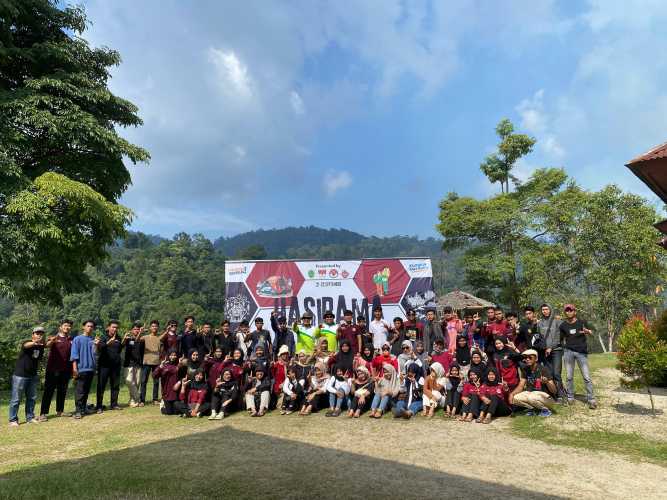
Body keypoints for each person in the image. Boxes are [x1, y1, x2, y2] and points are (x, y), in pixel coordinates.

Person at [559, 304, 596, 409]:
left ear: (575, 312)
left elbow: (593, 333)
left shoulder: (582, 322)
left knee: (586, 377)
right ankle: (570, 397)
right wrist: (564, 348)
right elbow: (561, 339)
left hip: (581, 353)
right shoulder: (563, 325)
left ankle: (591, 399)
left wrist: (588, 332)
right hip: (568, 352)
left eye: (571, 310)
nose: (568, 312)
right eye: (567, 310)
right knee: (569, 377)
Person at [9, 326, 46, 426]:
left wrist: (43, 344)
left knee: (32, 398)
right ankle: (13, 420)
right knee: (16, 398)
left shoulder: (41, 346)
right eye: (37, 333)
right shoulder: (27, 342)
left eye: (41, 334)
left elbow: (38, 359)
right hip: (20, 376)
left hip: (32, 376)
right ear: (32, 335)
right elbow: (26, 346)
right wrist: (35, 343)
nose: (39, 335)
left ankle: (30, 417)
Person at [38, 319, 73, 421]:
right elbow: (46, 345)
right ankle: (43, 413)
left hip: (66, 369)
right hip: (53, 369)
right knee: (49, 391)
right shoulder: (54, 338)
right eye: (65, 325)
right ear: (60, 327)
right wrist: (52, 341)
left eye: (69, 326)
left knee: (62, 390)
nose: (67, 327)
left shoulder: (71, 339)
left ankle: (60, 411)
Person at [510, 349, 557, 416]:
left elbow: (554, 391)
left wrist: (547, 382)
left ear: (536, 359)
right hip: (532, 394)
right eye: (526, 358)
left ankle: (545, 410)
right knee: (516, 398)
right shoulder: (525, 370)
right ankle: (533, 409)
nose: (527, 359)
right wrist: (512, 394)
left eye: (530, 357)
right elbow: (521, 386)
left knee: (531, 397)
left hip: (547, 398)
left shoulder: (543, 369)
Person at [70, 320, 100, 419]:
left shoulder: (93, 340)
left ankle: (83, 409)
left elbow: (95, 355)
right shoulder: (77, 339)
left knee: (86, 390)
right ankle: (78, 411)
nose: (90, 328)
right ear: (83, 327)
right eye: (88, 326)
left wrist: (96, 345)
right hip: (81, 368)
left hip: (90, 369)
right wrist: (75, 369)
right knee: (80, 391)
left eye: (92, 326)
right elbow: (74, 355)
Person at [96, 320, 124, 413]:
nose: (115, 329)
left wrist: (123, 341)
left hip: (115, 366)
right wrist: (108, 343)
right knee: (101, 386)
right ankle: (99, 406)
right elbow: (99, 349)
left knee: (115, 385)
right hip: (104, 366)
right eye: (113, 327)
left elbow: (119, 350)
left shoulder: (119, 338)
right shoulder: (103, 337)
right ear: (108, 327)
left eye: (116, 327)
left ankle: (114, 404)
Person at [539, 304, 564, 402]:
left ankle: (561, 395)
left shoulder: (557, 321)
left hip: (556, 350)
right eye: (543, 309)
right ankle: (553, 394)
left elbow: (558, 337)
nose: (545, 311)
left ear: (550, 310)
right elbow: (539, 338)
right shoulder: (540, 323)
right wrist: (544, 348)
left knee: (557, 373)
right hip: (545, 352)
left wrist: (550, 347)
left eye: (546, 309)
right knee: (549, 374)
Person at [139, 320, 161, 406]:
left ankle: (155, 399)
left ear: (158, 328)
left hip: (156, 362)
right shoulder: (145, 337)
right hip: (146, 362)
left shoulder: (159, 338)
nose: (154, 327)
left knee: (156, 382)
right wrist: (141, 331)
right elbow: (138, 339)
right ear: (150, 327)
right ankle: (142, 400)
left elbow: (161, 350)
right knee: (144, 381)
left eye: (156, 326)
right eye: (153, 326)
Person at [123, 322, 145, 407]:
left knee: (136, 384)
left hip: (139, 364)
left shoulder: (142, 341)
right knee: (129, 382)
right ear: (132, 330)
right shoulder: (129, 339)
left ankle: (132, 401)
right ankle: (138, 399)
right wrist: (140, 333)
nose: (136, 331)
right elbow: (134, 341)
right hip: (129, 364)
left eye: (138, 329)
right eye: (135, 329)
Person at [153, 349, 181, 415]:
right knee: (169, 412)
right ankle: (162, 407)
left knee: (176, 412)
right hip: (166, 393)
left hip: (175, 393)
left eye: (174, 355)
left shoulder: (179, 365)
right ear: (168, 356)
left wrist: (179, 382)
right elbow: (154, 375)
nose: (173, 357)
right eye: (171, 355)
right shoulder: (164, 366)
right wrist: (160, 367)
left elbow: (182, 376)